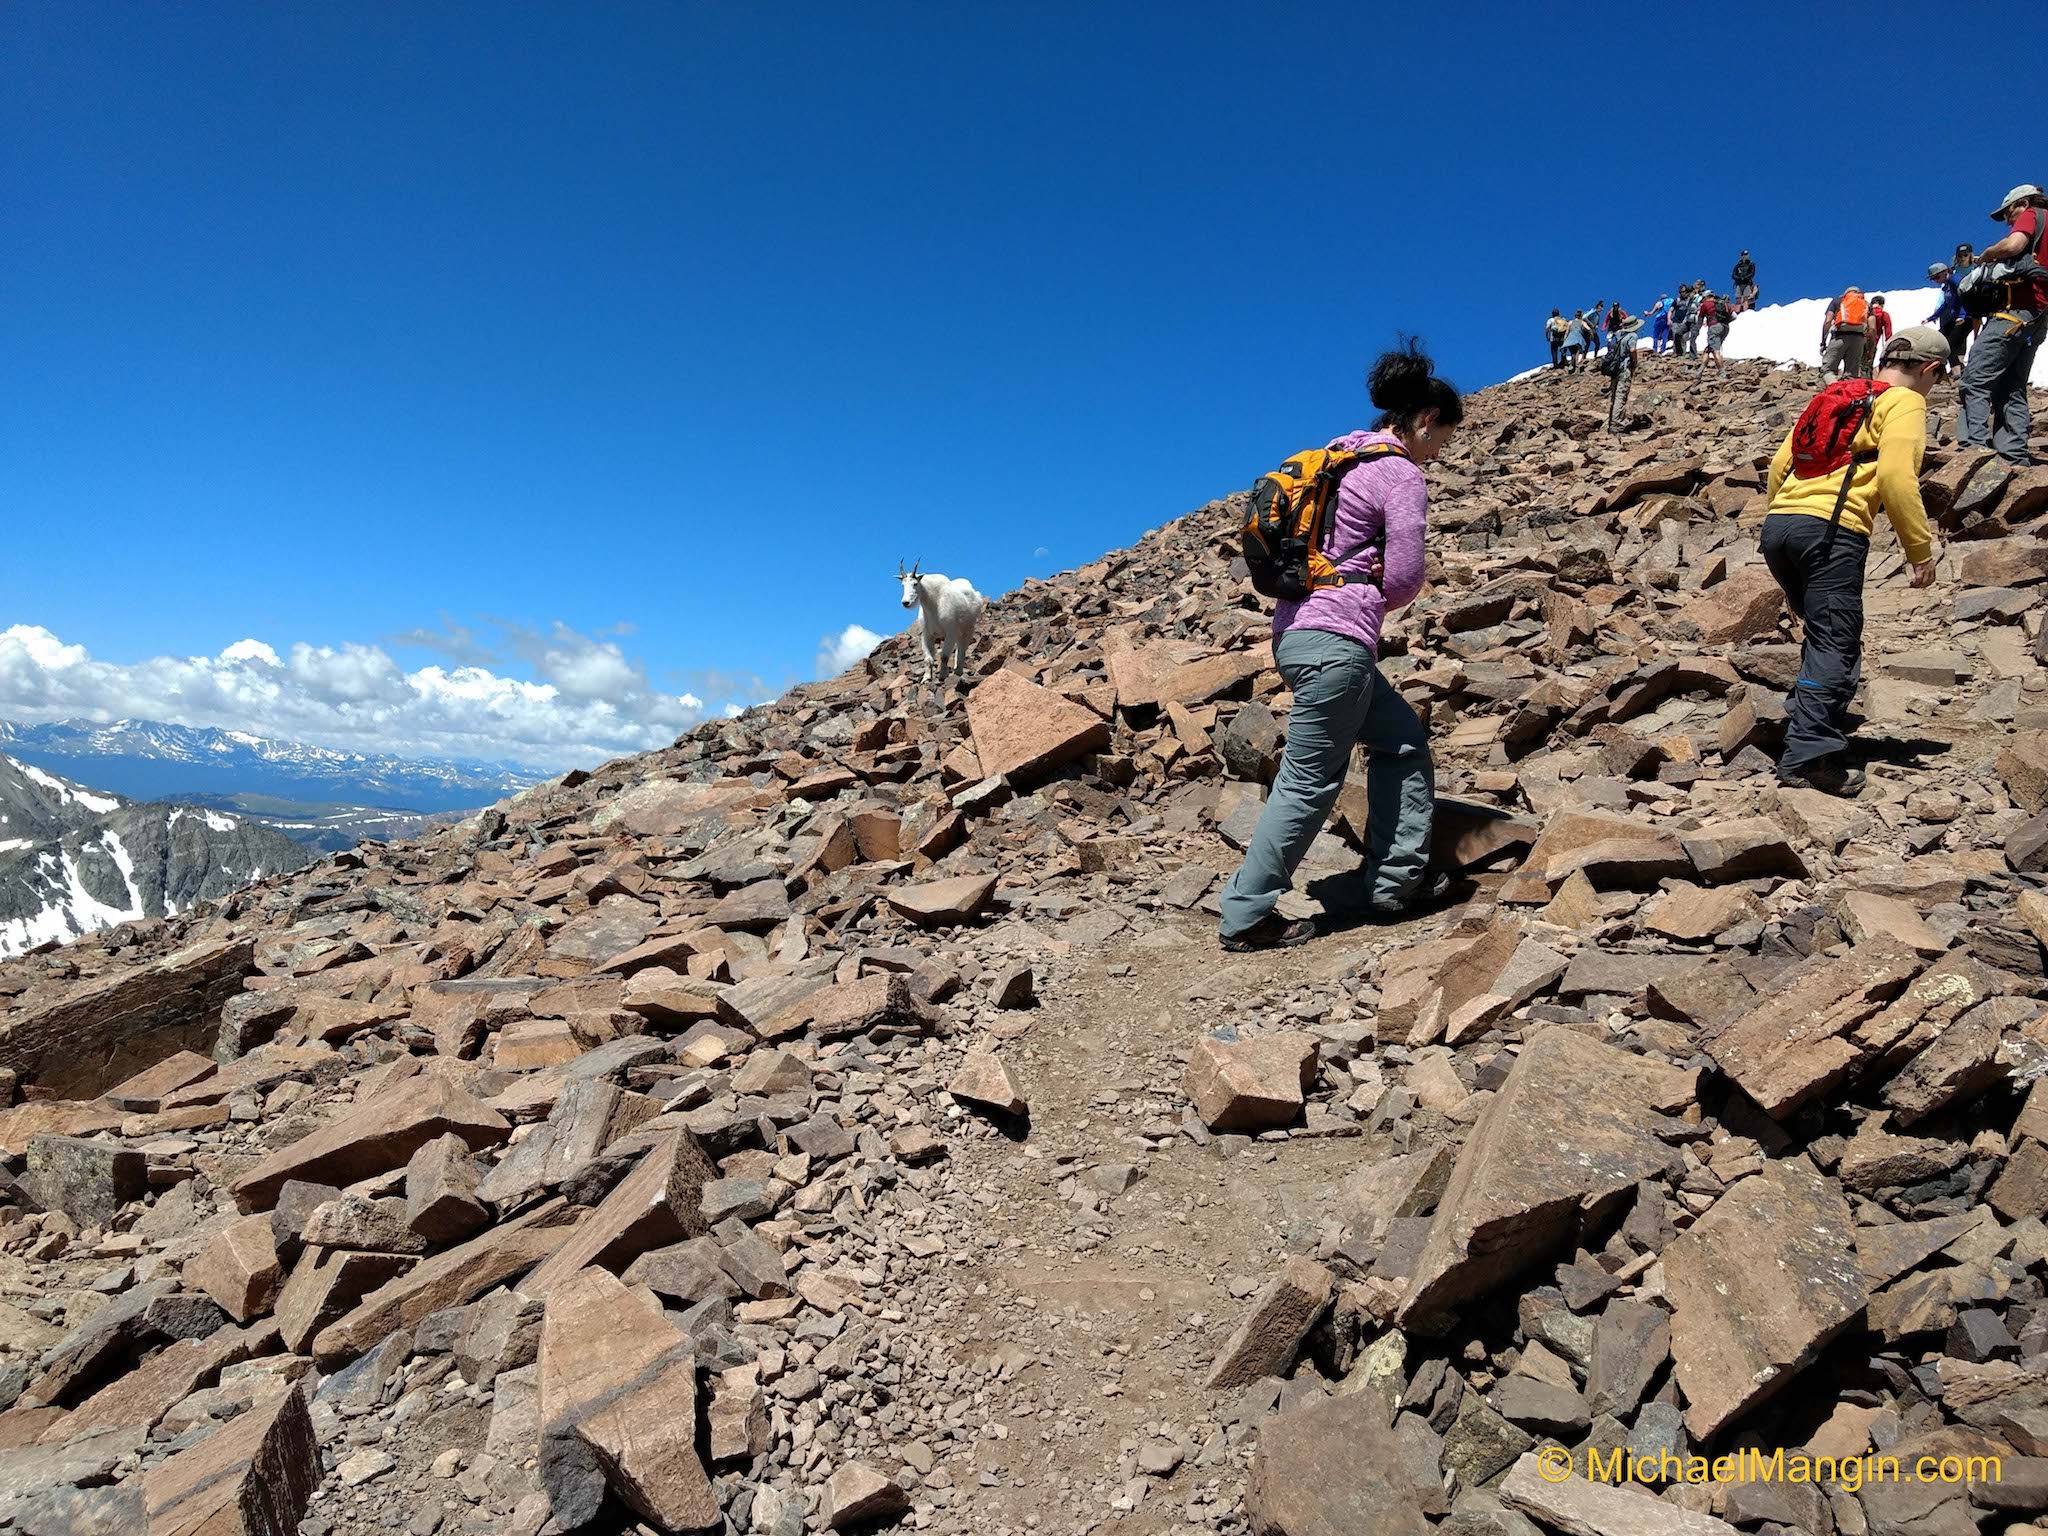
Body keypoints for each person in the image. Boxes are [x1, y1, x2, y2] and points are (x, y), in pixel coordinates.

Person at [1216, 340, 1461, 950]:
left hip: (1297, 633)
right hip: (1339, 640)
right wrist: (1370, 593)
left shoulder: (1338, 458)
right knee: (1308, 779)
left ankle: (1393, 883)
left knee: (1401, 739)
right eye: (1443, 439)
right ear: (1424, 421)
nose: (1441, 454)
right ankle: (1247, 914)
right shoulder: (1400, 471)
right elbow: (1405, 576)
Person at [1759, 326, 1947, 796]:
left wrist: (1779, 521)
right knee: (1837, 641)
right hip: (1831, 533)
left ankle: (1804, 718)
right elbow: (1897, 478)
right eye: (1938, 377)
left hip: (1781, 527)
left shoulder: (1836, 394)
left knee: (1823, 633)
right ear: (1928, 369)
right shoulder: (1904, 403)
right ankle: (1808, 758)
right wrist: (1919, 551)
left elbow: (1782, 464)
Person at [1958, 184, 2048, 465]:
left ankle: (1973, 449)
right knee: (2012, 386)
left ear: (2021, 203)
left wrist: (1988, 254)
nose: (2008, 221)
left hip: (2013, 312)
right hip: (2038, 316)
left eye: (2008, 213)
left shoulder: (2032, 213)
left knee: (1975, 380)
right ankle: (2013, 456)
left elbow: (2013, 245)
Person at [1601, 309, 1644, 432]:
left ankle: (1612, 422)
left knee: (1614, 397)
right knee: (1621, 396)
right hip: (1624, 369)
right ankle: (1617, 424)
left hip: (1615, 369)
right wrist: (1635, 363)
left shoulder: (1619, 336)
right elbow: (1632, 350)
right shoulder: (1632, 336)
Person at [1926, 262, 1970, 367]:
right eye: (1933, 278)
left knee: (1950, 346)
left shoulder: (1956, 280)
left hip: (1965, 318)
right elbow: (1946, 304)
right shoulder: (1947, 286)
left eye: (1937, 277)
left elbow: (1964, 297)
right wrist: (1932, 317)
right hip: (1956, 319)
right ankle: (1958, 370)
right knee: (1939, 341)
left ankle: (1957, 373)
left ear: (1945, 272)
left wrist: (1962, 315)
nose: (1935, 280)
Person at [1820, 288, 1870, 379]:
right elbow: (1872, 327)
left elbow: (1828, 321)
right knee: (1851, 375)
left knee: (1828, 371)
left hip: (1839, 337)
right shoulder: (1865, 304)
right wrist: (1868, 347)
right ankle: (1847, 392)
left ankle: (1834, 389)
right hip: (1858, 339)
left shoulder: (1838, 301)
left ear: (1845, 294)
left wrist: (1823, 342)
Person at [1698, 290, 1732, 376]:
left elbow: (1700, 318)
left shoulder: (1705, 304)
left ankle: (1722, 372)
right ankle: (1700, 370)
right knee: (1708, 349)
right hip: (1725, 327)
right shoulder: (1723, 303)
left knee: (1715, 351)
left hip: (1714, 327)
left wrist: (1697, 329)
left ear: (1706, 297)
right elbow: (1733, 315)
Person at [1862, 297, 1893, 379]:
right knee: (1868, 365)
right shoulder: (1884, 315)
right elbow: (1888, 333)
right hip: (1872, 343)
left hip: (1857, 341)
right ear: (1882, 305)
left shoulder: (1864, 312)